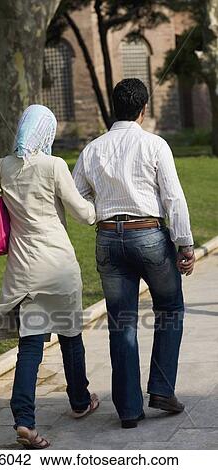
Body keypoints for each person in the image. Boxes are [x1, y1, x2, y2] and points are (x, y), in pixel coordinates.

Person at [73, 78, 195, 429]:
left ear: (114, 108)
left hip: (109, 239)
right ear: (144, 109)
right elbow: (173, 198)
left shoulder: (92, 149)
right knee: (170, 308)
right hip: (150, 237)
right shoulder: (154, 145)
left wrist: (102, 212)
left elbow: (76, 197)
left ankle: (128, 409)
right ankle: (160, 388)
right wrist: (185, 244)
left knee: (121, 323)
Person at [0, 105, 99, 449]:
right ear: (48, 132)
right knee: (70, 336)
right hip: (58, 267)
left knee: (30, 346)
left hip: (23, 268)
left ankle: (24, 421)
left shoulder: (1, 166)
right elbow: (83, 214)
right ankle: (79, 401)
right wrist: (96, 203)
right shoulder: (54, 166)